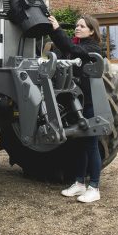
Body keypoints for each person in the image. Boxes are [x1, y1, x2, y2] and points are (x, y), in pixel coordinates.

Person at [47, 14, 104, 203]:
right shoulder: (77, 46)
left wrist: (57, 29)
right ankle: (79, 183)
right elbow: (64, 50)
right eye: (77, 26)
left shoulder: (92, 48)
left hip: (89, 103)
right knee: (79, 144)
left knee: (91, 144)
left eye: (82, 26)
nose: (78, 28)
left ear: (92, 31)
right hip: (76, 102)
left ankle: (94, 187)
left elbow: (71, 48)